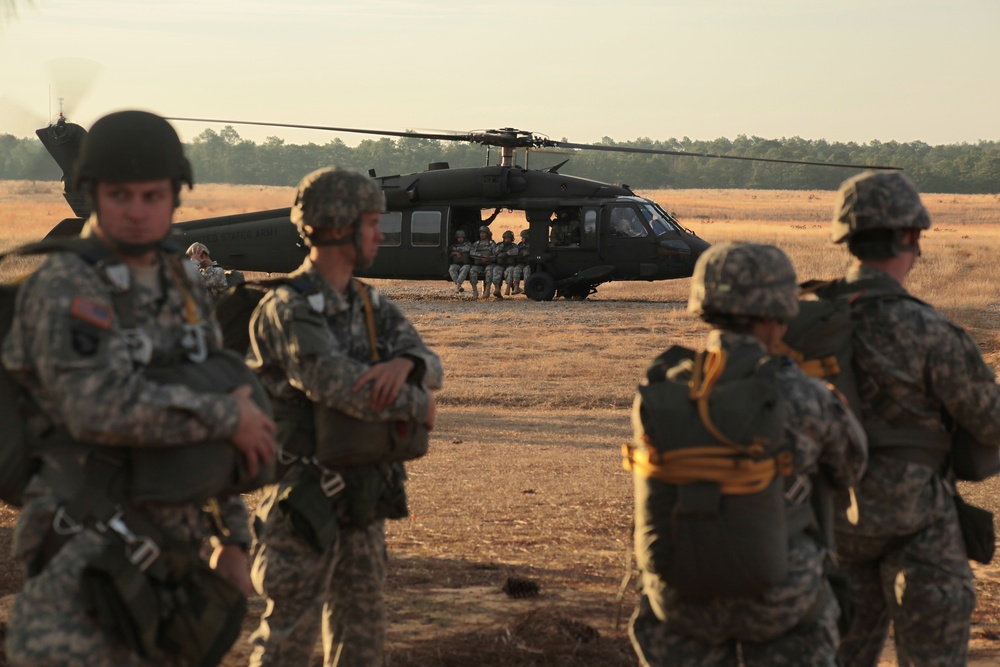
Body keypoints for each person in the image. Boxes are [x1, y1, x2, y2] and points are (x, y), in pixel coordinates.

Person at [1, 110, 277, 665]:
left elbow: (211, 380)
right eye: (118, 193)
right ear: (90, 193)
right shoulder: (65, 286)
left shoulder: (180, 282)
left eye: (152, 195)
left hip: (174, 543)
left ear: (175, 197)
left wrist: (235, 537)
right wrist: (227, 418)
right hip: (82, 543)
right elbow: (95, 408)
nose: (135, 210)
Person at [628, 242, 867, 667]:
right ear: (777, 312)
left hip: (680, 597)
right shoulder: (803, 393)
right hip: (780, 599)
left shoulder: (665, 386)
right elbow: (851, 468)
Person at [246, 167, 443, 667]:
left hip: (364, 497)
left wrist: (408, 365)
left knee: (362, 639)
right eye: (373, 222)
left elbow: (432, 365)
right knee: (287, 642)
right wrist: (418, 404)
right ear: (337, 227)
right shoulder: (286, 307)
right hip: (302, 503)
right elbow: (334, 386)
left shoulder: (370, 303)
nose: (381, 234)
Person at [826, 171, 1000, 667]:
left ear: (847, 238)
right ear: (910, 235)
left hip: (830, 522)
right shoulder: (927, 328)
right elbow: (990, 424)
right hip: (919, 524)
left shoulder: (807, 322)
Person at [468, 225, 495, 301]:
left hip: (489, 264)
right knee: (472, 271)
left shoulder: (491, 244)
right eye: (481, 233)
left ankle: (487, 290)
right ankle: (475, 291)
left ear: (487, 234)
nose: (482, 234)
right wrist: (481, 256)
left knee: (489, 271)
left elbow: (496, 254)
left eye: (484, 233)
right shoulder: (476, 244)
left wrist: (488, 258)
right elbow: (471, 253)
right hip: (478, 264)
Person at [493, 229, 519, 298]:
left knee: (510, 271)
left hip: (510, 265)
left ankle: (508, 288)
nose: (507, 240)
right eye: (506, 238)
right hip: (500, 265)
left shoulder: (514, 246)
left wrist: (506, 254)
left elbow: (516, 252)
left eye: (509, 238)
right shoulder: (499, 245)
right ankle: (497, 289)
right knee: (496, 270)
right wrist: (502, 247)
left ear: (512, 239)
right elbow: (495, 252)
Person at [447, 229, 472, 296]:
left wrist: (457, 250)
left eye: (462, 237)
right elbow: (450, 251)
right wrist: (455, 253)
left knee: (464, 269)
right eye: (459, 237)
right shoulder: (453, 245)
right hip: (456, 263)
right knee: (451, 269)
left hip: (465, 263)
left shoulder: (468, 244)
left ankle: (457, 286)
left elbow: (468, 249)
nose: (460, 239)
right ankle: (458, 285)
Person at [511, 228, 531, 294]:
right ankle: (516, 287)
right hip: (521, 263)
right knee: (516, 269)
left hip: (529, 263)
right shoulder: (520, 245)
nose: (522, 239)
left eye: (523, 237)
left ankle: (526, 288)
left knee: (526, 271)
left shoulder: (532, 245)